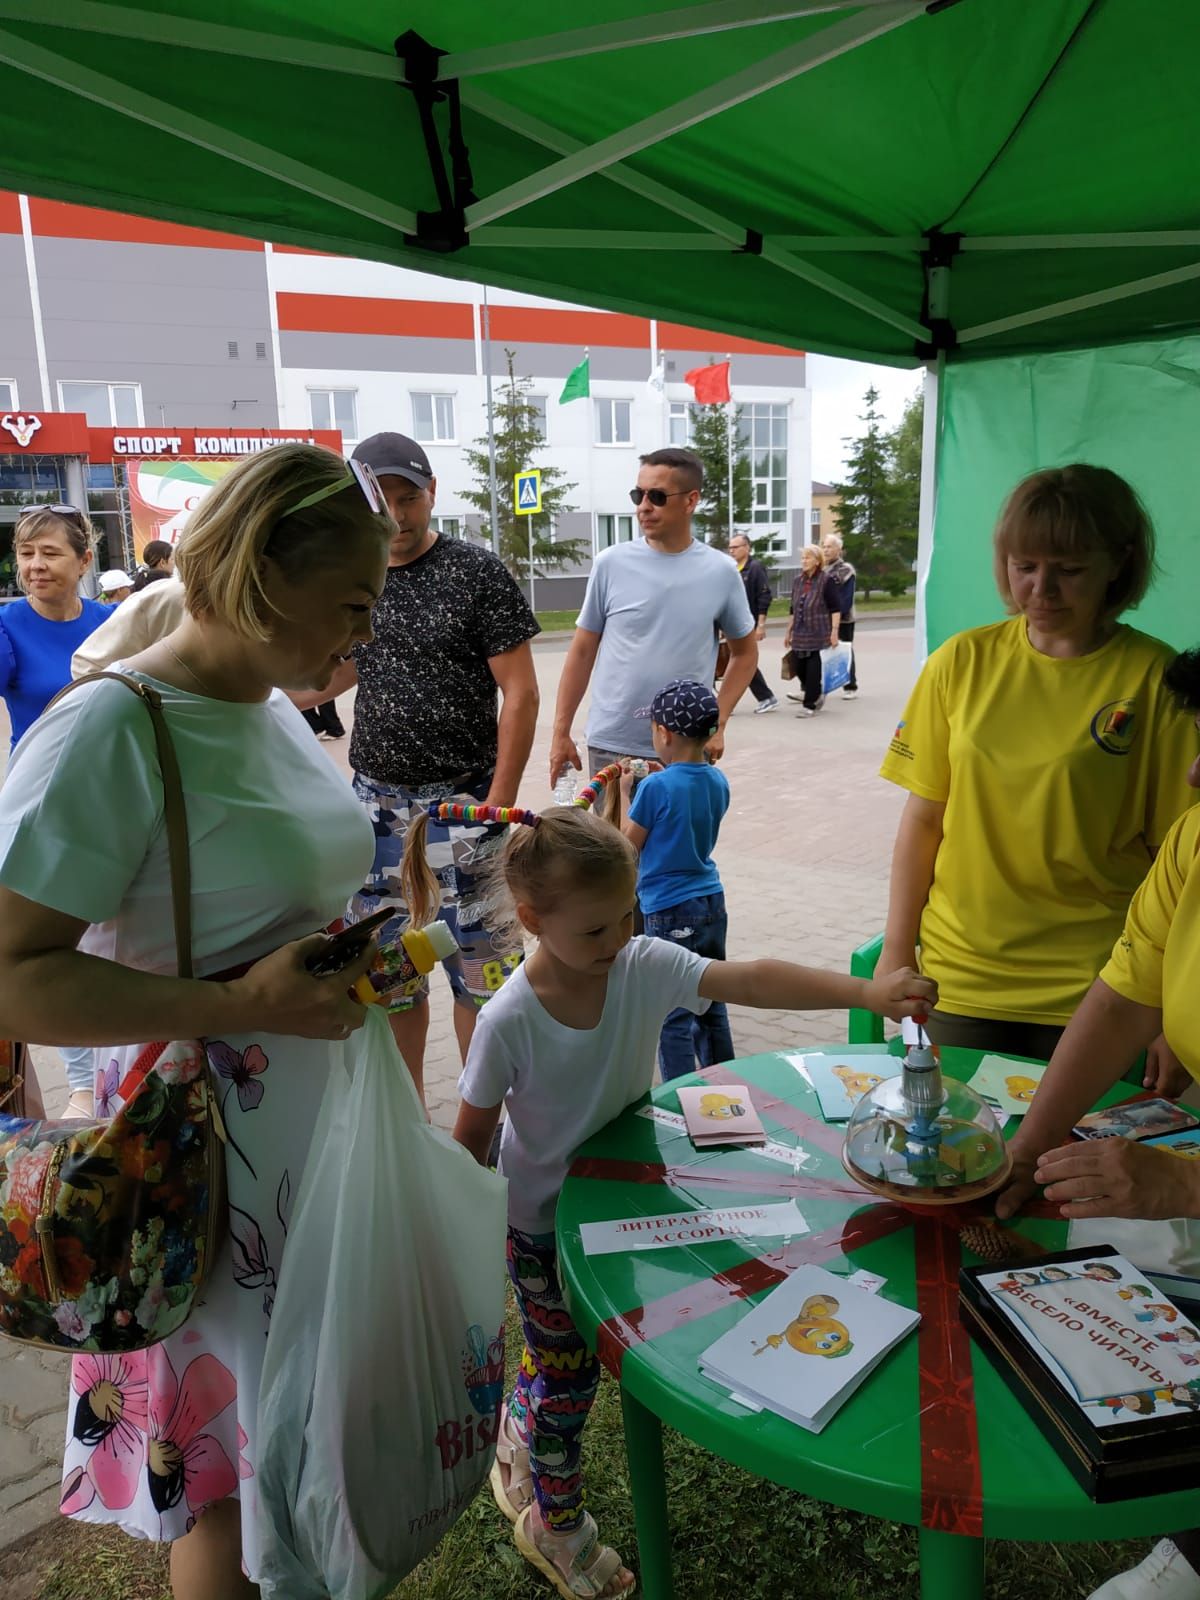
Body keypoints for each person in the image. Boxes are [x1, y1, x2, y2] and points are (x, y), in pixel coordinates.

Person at [0, 443, 392, 1598]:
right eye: (355, 603)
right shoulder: (109, 731)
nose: (362, 637)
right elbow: (15, 975)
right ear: (268, 572)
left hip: (309, 1131)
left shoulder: (266, 703)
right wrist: (236, 1004)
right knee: (220, 1464)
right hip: (200, 1158)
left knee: (300, 1435)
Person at [452, 806, 936, 1600]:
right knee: (574, 1381)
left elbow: (747, 977)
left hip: (622, 1204)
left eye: (628, 918)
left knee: (594, 1348)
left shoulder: (639, 962)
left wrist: (866, 991)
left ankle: (526, 1411)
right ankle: (555, 1521)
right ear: (533, 921)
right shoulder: (509, 1019)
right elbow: (471, 1139)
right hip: (540, 1228)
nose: (616, 944)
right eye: (594, 931)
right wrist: (458, 1238)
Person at [996, 647, 1200, 1600]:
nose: (1193, 774)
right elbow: (1122, 996)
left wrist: (1182, 1185)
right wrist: (1032, 1145)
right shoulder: (1196, 839)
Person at [879, 464, 1197, 1067]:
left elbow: (1176, 859)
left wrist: (1169, 999)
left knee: (1068, 1162)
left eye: (1070, 570)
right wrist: (898, 952)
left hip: (1102, 989)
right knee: (951, 1154)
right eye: (1024, 566)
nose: (1041, 591)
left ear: (1118, 564)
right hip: (960, 982)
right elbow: (924, 821)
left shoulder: (1156, 680)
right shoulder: (961, 662)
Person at [303, 431, 540, 1103]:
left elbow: (521, 693)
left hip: (464, 807)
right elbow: (342, 668)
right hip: (376, 814)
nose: (398, 515)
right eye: (383, 500)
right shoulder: (358, 575)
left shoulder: (476, 572)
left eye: (410, 498)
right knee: (388, 978)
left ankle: (479, 1125)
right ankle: (406, 1128)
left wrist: (496, 806)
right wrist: (257, 690)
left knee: (484, 979)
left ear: (432, 494)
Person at [550, 447, 757, 782]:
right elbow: (582, 651)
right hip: (612, 745)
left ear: (690, 501)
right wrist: (560, 732)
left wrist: (718, 721)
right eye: (638, 494)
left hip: (685, 750)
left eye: (657, 496)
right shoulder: (610, 564)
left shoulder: (720, 571)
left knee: (676, 837)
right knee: (609, 838)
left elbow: (745, 654)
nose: (643, 506)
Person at [1, 504, 110, 1114]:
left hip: (109, 792)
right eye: (25, 554)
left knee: (108, 931)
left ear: (84, 560)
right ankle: (80, 1082)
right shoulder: (8, 626)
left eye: (50, 553)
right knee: (53, 941)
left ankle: (124, 1061)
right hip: (38, 803)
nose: (35, 566)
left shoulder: (113, 621)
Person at [619, 679, 733, 1079]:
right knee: (712, 997)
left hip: (669, 908)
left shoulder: (654, 788)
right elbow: (683, 807)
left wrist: (625, 793)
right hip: (710, 902)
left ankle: (680, 1096)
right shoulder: (718, 780)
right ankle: (725, 1084)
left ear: (663, 733)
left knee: (672, 1010)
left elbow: (625, 849)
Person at [71, 574, 187, 678]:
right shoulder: (131, 609)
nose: (131, 590)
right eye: (129, 588)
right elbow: (86, 665)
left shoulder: (103, 609)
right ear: (120, 589)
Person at [784, 542, 840, 717]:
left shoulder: (826, 580)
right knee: (799, 667)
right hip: (800, 633)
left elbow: (835, 608)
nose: (804, 561)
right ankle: (816, 692)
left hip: (819, 632)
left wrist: (834, 632)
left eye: (807, 557)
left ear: (817, 561)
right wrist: (788, 631)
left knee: (813, 670)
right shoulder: (797, 581)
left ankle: (809, 705)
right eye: (802, 557)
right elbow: (792, 608)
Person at [728, 532, 777, 712]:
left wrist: (760, 625)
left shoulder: (755, 568)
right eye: (730, 548)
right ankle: (764, 697)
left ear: (747, 548)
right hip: (732, 623)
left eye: (735, 547)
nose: (731, 551)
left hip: (748, 624)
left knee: (743, 661)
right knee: (735, 662)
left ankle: (766, 697)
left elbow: (764, 596)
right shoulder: (733, 568)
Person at [821, 531, 858, 698]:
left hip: (843, 619)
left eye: (829, 547)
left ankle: (850, 686)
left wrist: (835, 615)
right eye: (824, 546)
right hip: (822, 619)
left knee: (844, 651)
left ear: (839, 549)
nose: (826, 550)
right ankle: (814, 687)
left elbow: (846, 598)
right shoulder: (822, 569)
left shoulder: (845, 570)